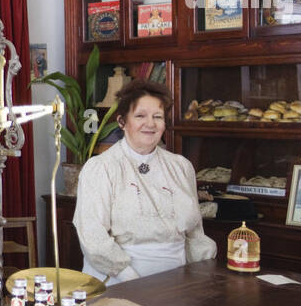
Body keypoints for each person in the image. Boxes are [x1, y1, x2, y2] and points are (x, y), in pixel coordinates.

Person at [73, 79, 217, 285]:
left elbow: (195, 234)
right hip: (119, 282)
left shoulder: (181, 167)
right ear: (122, 122)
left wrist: (204, 274)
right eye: (140, 116)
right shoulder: (100, 168)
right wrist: (130, 279)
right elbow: (93, 238)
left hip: (178, 284)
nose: (150, 124)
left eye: (157, 116)